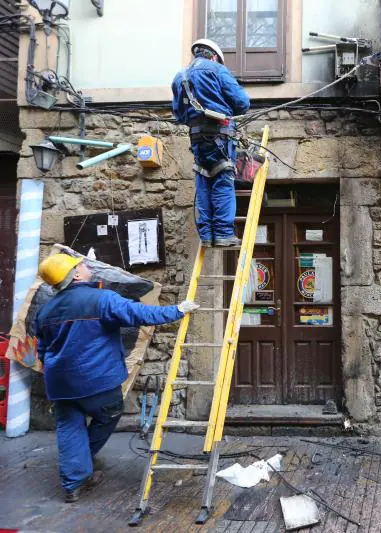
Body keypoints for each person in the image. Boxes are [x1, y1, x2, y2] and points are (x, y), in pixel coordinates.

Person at [34, 253, 200, 502]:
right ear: (76, 275)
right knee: (108, 414)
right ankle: (83, 463)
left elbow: (43, 350)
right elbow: (140, 314)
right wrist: (177, 309)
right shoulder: (102, 300)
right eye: (81, 265)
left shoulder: (45, 311)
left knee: (69, 427)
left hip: (60, 384)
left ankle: (73, 484)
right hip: (98, 381)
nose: (86, 265)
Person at [171, 38, 251, 247]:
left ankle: (207, 236)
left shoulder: (180, 76)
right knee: (223, 179)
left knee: (204, 180)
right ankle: (224, 233)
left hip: (196, 137)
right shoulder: (217, 70)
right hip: (220, 136)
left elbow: (179, 114)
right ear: (214, 56)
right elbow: (242, 103)